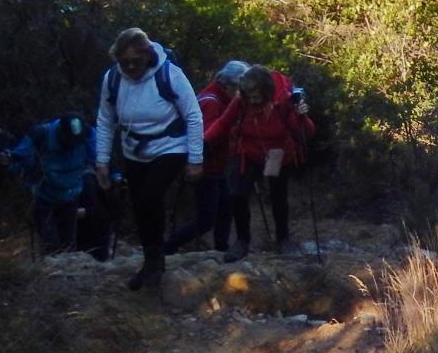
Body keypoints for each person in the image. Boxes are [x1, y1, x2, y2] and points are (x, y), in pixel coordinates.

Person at [93, 28, 204, 291]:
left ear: (148, 55)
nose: (131, 67)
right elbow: (105, 120)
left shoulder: (170, 75)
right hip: (133, 150)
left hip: (170, 146)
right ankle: (150, 260)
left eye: (137, 61)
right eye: (125, 62)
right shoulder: (112, 79)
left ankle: (156, 262)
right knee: (139, 206)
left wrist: (195, 159)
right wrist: (102, 161)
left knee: (149, 198)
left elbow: (193, 115)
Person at [204, 63, 313, 262]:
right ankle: (242, 241)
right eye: (250, 97)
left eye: (257, 97)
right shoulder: (241, 100)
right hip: (248, 151)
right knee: (238, 194)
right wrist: (204, 142)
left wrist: (302, 116)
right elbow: (223, 123)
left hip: (278, 153)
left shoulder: (284, 102)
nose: (253, 101)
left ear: (267, 92)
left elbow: (307, 131)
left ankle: (283, 239)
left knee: (278, 197)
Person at [163, 60, 247, 255]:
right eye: (239, 88)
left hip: (217, 166)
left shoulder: (220, 99)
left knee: (225, 210)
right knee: (207, 219)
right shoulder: (211, 102)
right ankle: (169, 246)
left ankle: (221, 249)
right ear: (228, 85)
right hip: (206, 168)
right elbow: (205, 137)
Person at [0, 113, 93, 256]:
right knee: (51, 247)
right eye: (68, 139)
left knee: (69, 247)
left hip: (71, 197)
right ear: (61, 132)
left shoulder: (87, 134)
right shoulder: (41, 134)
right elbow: (20, 156)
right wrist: (8, 159)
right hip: (44, 198)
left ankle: (66, 269)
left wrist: (114, 175)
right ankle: (51, 266)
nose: (71, 144)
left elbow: (100, 157)